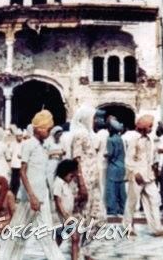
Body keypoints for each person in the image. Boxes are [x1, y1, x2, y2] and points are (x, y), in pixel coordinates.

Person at [0, 109, 65, 260]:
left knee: (44, 234)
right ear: (39, 129)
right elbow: (22, 171)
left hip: (42, 196)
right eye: (47, 129)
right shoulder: (29, 144)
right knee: (19, 233)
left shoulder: (43, 146)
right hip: (31, 197)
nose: (49, 133)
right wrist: (31, 196)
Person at [123, 114, 163, 237]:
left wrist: (154, 168)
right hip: (137, 176)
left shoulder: (149, 139)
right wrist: (134, 172)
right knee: (132, 202)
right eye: (150, 126)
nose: (151, 128)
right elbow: (128, 159)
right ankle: (127, 227)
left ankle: (156, 228)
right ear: (143, 127)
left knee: (154, 200)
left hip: (148, 176)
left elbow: (151, 155)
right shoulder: (134, 139)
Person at [70, 104, 106, 260]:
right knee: (82, 217)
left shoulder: (89, 134)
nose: (96, 121)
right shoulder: (79, 134)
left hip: (93, 180)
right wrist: (81, 183)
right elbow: (76, 159)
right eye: (94, 118)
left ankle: (85, 248)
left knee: (97, 216)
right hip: (84, 180)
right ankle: (78, 252)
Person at [53, 159, 81, 260]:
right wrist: (65, 216)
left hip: (66, 217)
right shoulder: (58, 183)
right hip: (62, 218)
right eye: (71, 176)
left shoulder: (66, 184)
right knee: (75, 238)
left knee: (58, 240)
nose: (72, 178)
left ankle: (52, 256)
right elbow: (58, 201)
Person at [105, 118, 127, 216]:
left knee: (112, 189)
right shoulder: (120, 138)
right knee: (121, 190)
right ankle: (123, 208)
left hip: (113, 167)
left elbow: (110, 154)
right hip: (121, 166)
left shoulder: (110, 140)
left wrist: (104, 155)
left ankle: (112, 209)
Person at [45, 125, 65, 190]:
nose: (59, 136)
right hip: (51, 162)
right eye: (58, 135)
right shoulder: (48, 141)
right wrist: (56, 152)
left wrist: (62, 152)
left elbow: (64, 151)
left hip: (59, 162)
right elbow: (45, 153)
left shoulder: (61, 142)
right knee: (50, 179)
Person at [10, 129, 23, 196]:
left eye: (21, 136)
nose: (19, 137)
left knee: (20, 181)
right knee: (13, 181)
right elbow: (10, 153)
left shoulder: (24, 144)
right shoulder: (13, 144)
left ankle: (18, 195)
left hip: (21, 165)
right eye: (18, 136)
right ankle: (13, 195)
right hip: (14, 165)